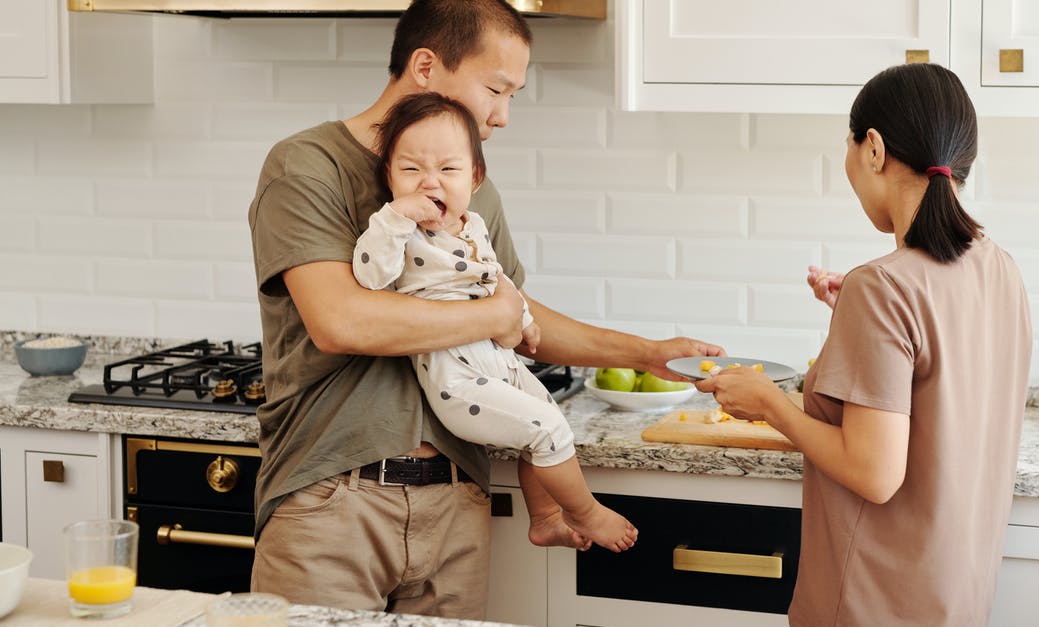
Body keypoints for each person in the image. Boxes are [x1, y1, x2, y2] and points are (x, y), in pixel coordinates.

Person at [246, 0, 723, 619]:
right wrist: (497, 318)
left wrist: (644, 352)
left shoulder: (472, 185)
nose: (501, 115)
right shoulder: (308, 164)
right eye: (494, 88)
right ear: (425, 66)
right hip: (331, 499)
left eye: (513, 95)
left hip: (455, 505)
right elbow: (342, 322)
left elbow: (514, 311)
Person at [695, 63, 1032, 627]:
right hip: (956, 593)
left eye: (849, 150)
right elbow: (946, 369)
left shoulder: (884, 285)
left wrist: (769, 404)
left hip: (875, 597)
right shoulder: (1001, 268)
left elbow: (875, 473)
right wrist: (856, 321)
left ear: (872, 148)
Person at [351, 91, 635, 553]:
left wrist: (522, 318)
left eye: (447, 170)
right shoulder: (394, 229)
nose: (429, 183)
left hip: (497, 359)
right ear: (389, 177)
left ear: (475, 177)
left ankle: (544, 518)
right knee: (545, 426)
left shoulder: (475, 224)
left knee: (546, 427)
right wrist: (394, 218)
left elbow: (495, 278)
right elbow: (369, 275)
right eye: (410, 170)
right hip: (455, 376)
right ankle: (585, 511)